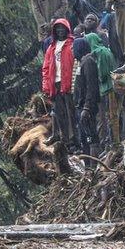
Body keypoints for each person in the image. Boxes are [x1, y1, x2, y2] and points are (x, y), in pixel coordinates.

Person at [74, 32, 114, 163]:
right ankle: (88, 167)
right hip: (82, 105)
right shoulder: (83, 62)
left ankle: (93, 166)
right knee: (85, 138)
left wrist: (86, 107)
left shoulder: (88, 61)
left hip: (88, 107)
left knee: (92, 138)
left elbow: (91, 87)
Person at [41, 19, 78, 151]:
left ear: (67, 29)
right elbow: (46, 68)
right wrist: (46, 85)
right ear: (55, 30)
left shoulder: (72, 43)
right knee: (59, 112)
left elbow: (76, 63)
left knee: (71, 112)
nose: (60, 30)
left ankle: (74, 140)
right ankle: (64, 140)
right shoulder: (51, 47)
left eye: (63, 28)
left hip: (68, 83)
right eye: (58, 28)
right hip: (54, 83)